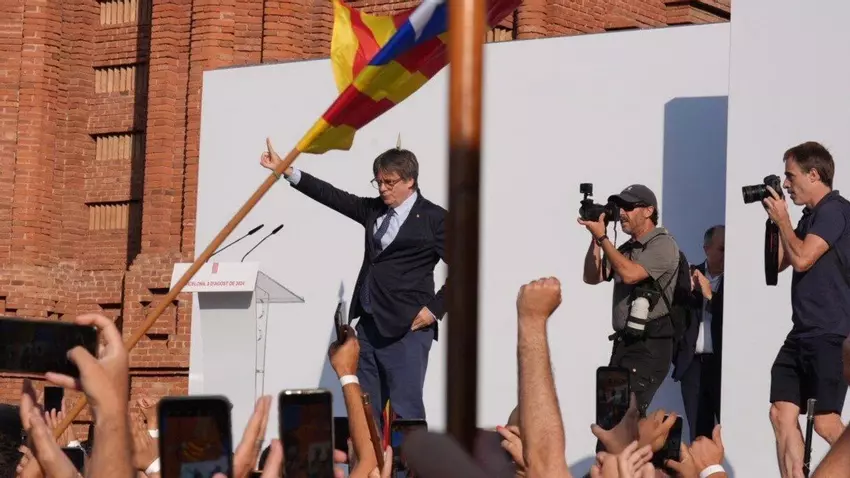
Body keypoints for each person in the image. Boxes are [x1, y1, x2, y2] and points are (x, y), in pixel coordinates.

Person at [260, 139, 447, 427]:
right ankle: (368, 457)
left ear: (410, 181)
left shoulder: (435, 219)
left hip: (408, 329)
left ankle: (407, 459)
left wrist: (433, 310)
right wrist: (287, 171)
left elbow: (465, 268)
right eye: (378, 182)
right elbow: (332, 196)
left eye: (389, 182)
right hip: (369, 327)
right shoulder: (374, 210)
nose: (382, 188)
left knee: (404, 412)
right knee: (364, 410)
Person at [763, 141, 850, 478]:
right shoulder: (810, 217)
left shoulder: (834, 211)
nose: (786, 184)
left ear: (814, 174)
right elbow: (777, 265)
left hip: (830, 332)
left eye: (791, 176)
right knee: (780, 412)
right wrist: (775, 222)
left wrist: (784, 220)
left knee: (826, 422)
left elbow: (801, 259)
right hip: (802, 332)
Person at [580, 184, 681, 414]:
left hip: (649, 345)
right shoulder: (626, 248)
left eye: (628, 207)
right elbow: (592, 277)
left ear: (648, 211)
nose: (622, 213)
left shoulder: (663, 244)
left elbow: (630, 274)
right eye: (620, 207)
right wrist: (596, 239)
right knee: (609, 415)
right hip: (625, 344)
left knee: (626, 416)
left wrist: (603, 237)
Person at [672, 225, 725, 441]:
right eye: (722, 249)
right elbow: (674, 316)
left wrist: (710, 295)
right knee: (698, 434)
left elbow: (735, 315)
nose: (726, 255)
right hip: (693, 366)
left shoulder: (737, 279)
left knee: (725, 431)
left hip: (722, 366)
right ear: (706, 249)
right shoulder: (689, 276)